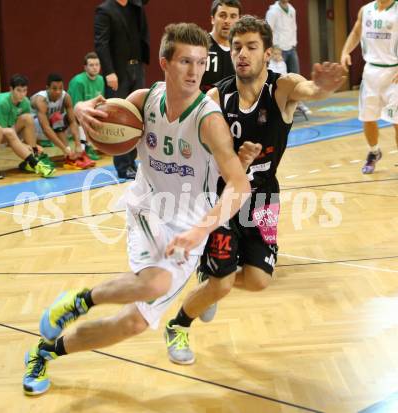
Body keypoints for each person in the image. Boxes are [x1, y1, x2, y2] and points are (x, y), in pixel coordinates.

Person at [22, 22, 260, 396]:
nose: (195, 71)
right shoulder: (145, 100)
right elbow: (96, 109)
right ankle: (77, 302)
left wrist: (201, 230)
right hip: (148, 206)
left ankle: (45, 351)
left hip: (190, 225)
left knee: (133, 323)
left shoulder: (208, 120)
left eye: (200, 62)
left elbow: (240, 185)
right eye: (185, 61)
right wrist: (84, 108)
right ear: (164, 63)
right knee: (157, 281)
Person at [164, 15, 346, 365]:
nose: (242, 54)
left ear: (267, 53)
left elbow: (312, 90)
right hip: (223, 196)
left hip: (263, 196)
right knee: (224, 282)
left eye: (251, 47)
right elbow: (203, 156)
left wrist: (324, 88)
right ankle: (179, 323)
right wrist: (235, 163)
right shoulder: (217, 95)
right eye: (236, 47)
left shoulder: (283, 87)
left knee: (260, 280)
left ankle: (208, 278)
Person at [340, 0, 398, 174]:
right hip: (371, 72)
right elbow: (356, 32)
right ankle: (374, 152)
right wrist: (345, 51)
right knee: (367, 117)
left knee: (397, 122)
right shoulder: (365, 10)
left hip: (394, 72)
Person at [94, 0, 150, 179]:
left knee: (135, 116)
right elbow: (101, 43)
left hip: (137, 67)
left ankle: (132, 162)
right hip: (118, 71)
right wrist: (109, 72)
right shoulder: (105, 10)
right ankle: (122, 166)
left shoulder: (136, 6)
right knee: (117, 116)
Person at [0, 74, 55, 178]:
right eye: (19, 90)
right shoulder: (2, 103)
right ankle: (33, 162)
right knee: (9, 132)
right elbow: (1, 131)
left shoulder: (25, 102)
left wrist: (30, 145)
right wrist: (22, 145)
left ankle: (34, 155)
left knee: (28, 118)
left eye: (24, 90)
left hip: (8, 130)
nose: (22, 94)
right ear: (11, 89)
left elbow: (25, 129)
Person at [31, 73, 94, 170]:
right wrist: (64, 148)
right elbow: (46, 128)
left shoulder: (66, 97)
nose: (58, 91)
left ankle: (80, 151)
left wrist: (77, 144)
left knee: (76, 115)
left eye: (60, 88)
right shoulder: (41, 99)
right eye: (54, 88)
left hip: (53, 126)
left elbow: (72, 121)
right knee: (56, 117)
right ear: (47, 88)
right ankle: (68, 154)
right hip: (35, 130)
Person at [266, 0, 311, 115]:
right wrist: (273, 48)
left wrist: (293, 44)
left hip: (291, 48)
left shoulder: (292, 10)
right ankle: (278, 107)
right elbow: (268, 30)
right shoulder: (272, 11)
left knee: (296, 77)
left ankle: (299, 103)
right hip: (278, 51)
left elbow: (293, 28)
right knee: (279, 80)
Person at [67, 52, 104, 162]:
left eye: (97, 64)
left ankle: (93, 145)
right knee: (83, 118)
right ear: (85, 67)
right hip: (71, 116)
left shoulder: (101, 80)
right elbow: (74, 107)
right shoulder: (78, 81)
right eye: (91, 65)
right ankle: (84, 149)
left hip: (91, 112)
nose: (95, 68)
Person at [200, 0, 241, 93]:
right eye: (222, 15)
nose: (227, 21)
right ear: (212, 19)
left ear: (239, 20)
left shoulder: (242, 51)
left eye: (233, 16)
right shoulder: (199, 45)